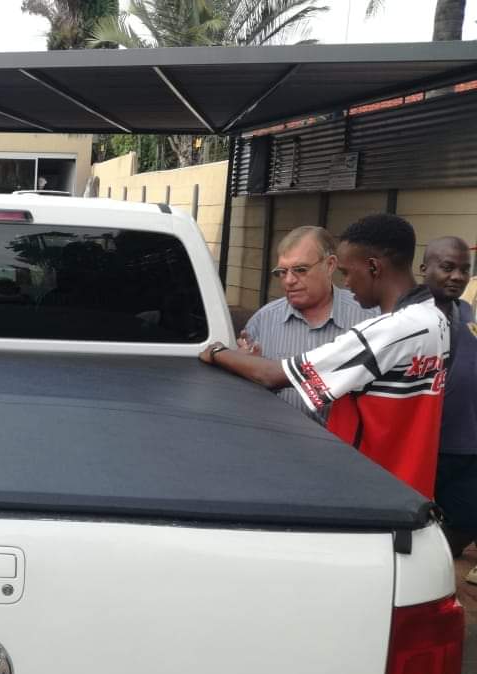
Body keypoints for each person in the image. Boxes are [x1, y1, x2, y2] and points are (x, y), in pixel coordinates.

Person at [200, 214, 449, 498]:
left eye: (347, 272)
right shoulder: (435, 319)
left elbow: (273, 375)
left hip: (369, 490)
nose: (348, 282)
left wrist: (218, 352)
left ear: (373, 267)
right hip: (405, 489)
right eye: (282, 272)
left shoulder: (386, 332)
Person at [238, 226, 376, 419]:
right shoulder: (263, 321)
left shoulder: (368, 318)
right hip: (274, 439)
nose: (289, 280)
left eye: (300, 270)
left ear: (330, 265)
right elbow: (241, 395)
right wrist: (246, 367)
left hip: (341, 446)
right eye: (282, 272)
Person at [420, 237, 477, 581]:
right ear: (424, 269)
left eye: (464, 269)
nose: (457, 276)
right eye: (447, 267)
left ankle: (438, 567)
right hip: (430, 446)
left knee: (467, 517)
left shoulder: (466, 311)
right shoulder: (411, 315)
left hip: (466, 443)